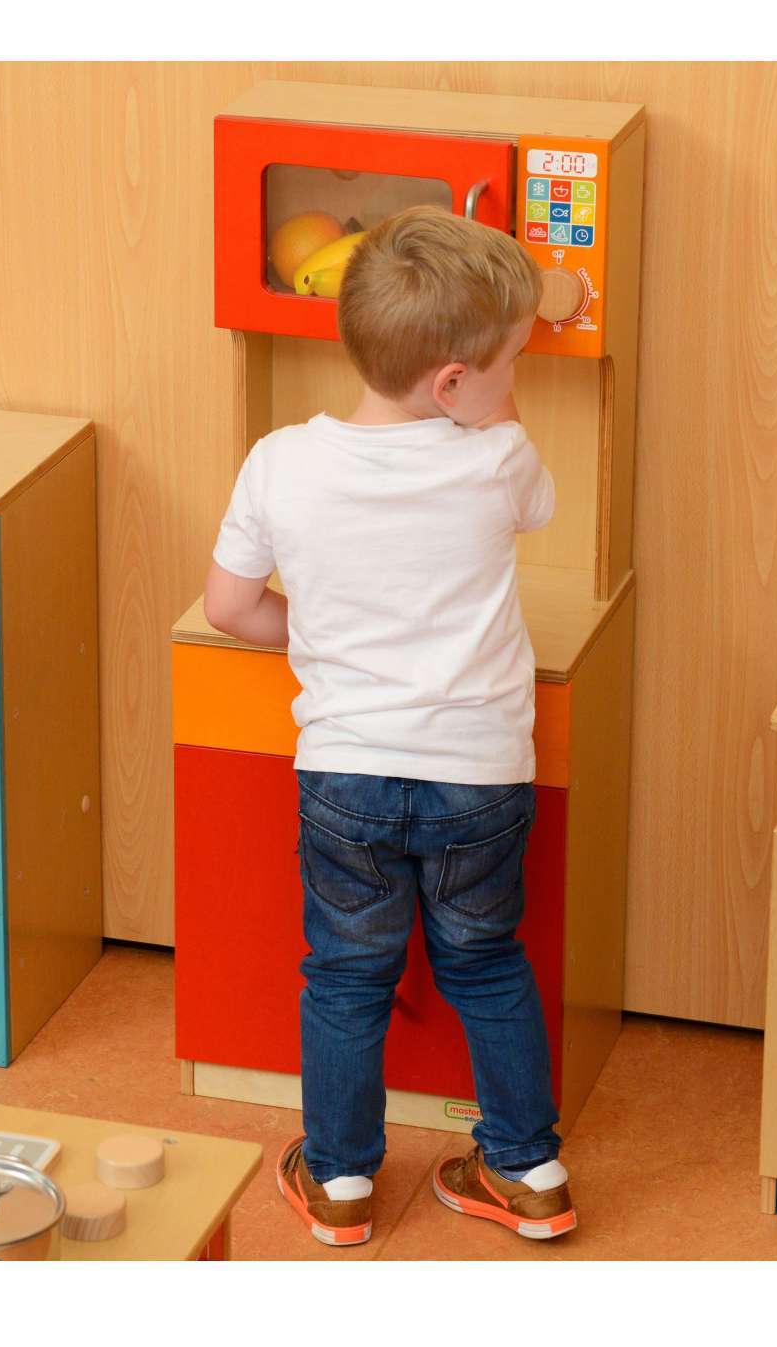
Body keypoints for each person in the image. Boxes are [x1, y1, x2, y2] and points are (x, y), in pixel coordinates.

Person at [204, 204, 575, 1247]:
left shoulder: (280, 461)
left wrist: (326, 637)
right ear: (452, 384)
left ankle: (340, 1184)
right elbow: (535, 504)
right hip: (478, 779)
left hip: (348, 775)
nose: (516, 381)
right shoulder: (498, 458)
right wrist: (503, 399)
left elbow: (229, 607)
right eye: (511, 362)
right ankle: (529, 1171)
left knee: (345, 975)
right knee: (486, 964)